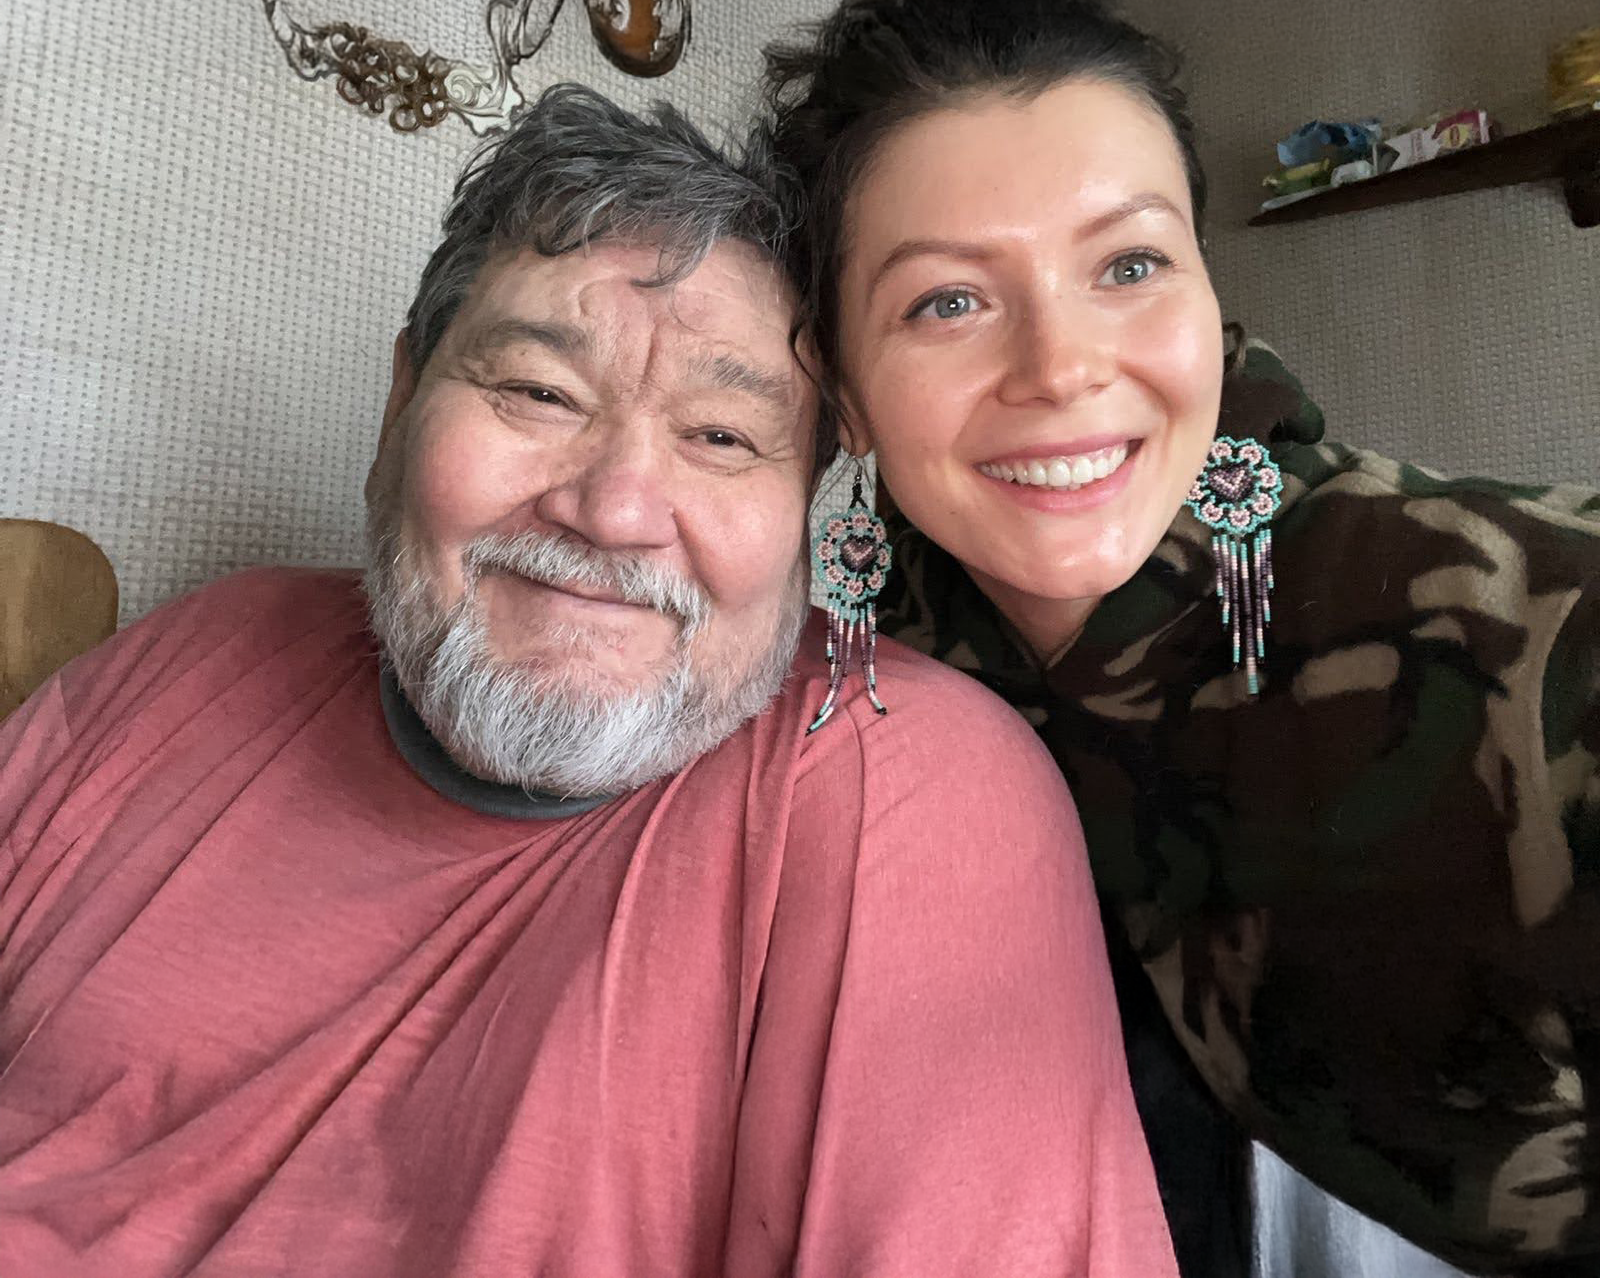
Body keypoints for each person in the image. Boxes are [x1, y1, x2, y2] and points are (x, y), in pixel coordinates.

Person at [0, 84, 1177, 1278]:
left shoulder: (901, 783)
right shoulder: (199, 657)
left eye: (722, 435)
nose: (613, 509)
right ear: (403, 399)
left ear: (811, 498)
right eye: (537, 393)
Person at [765, 0, 1600, 1277]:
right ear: (846, 394)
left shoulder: (1527, 644)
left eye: (1129, 264)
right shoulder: (870, 641)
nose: (1059, 368)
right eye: (948, 300)